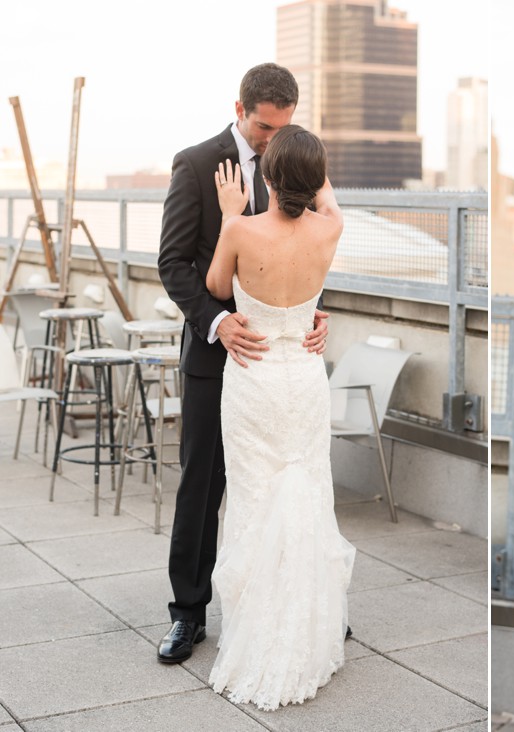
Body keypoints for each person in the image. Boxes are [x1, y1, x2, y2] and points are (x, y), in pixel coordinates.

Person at [156, 63, 328, 663]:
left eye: (281, 128)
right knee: (202, 486)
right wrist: (218, 321)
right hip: (214, 356)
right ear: (239, 108)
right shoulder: (196, 164)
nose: (270, 140)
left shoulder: (293, 163)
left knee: (285, 480)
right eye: (262, 127)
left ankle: (301, 606)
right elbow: (174, 264)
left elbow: (302, 245)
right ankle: (188, 613)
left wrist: (310, 311)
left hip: (280, 362)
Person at [203, 124, 353, 710]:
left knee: (253, 496)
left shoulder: (240, 228)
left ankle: (253, 627)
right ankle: (307, 630)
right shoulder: (331, 228)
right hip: (305, 378)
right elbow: (329, 199)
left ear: (266, 176)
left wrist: (229, 212)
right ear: (316, 182)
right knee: (309, 489)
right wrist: (312, 170)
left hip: (254, 377)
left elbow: (217, 285)